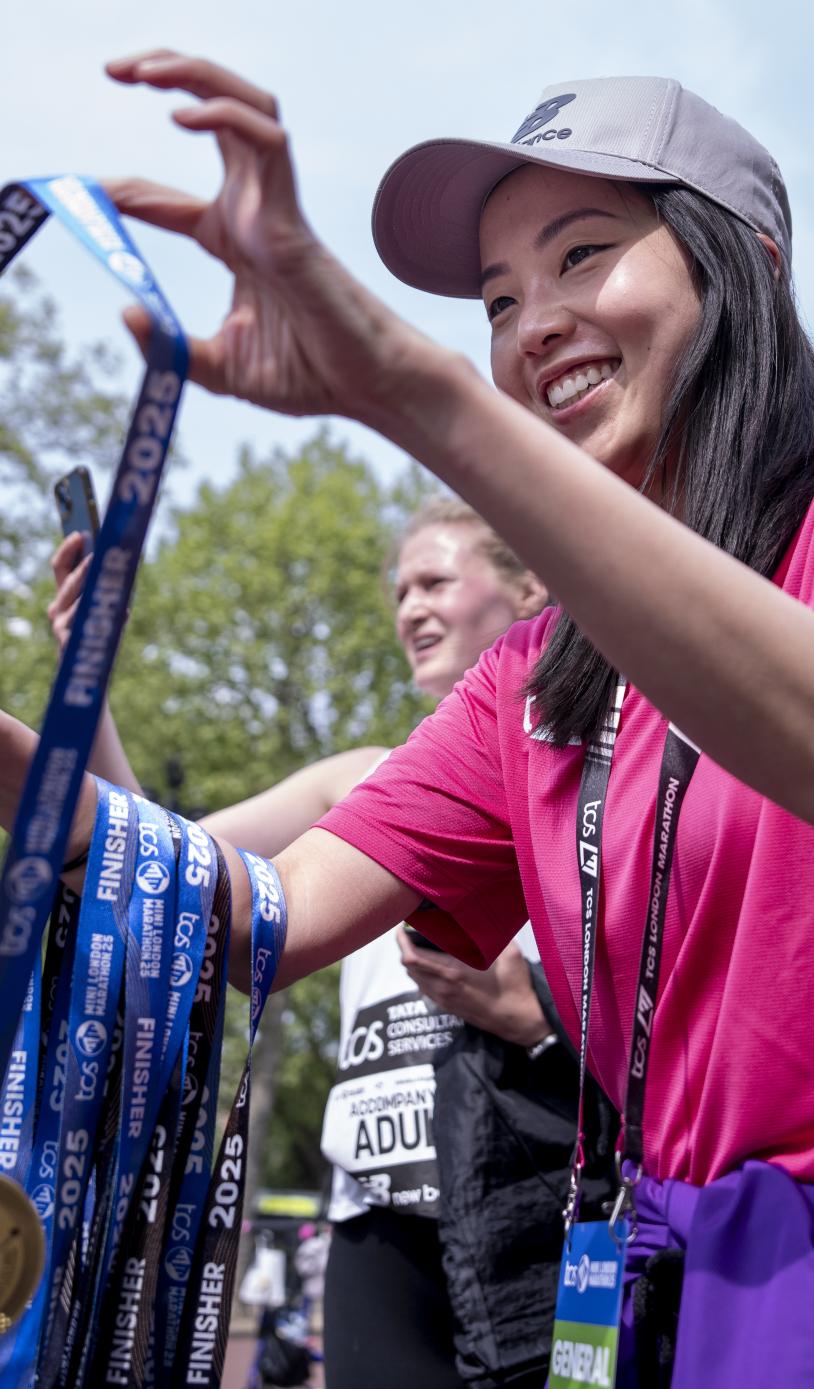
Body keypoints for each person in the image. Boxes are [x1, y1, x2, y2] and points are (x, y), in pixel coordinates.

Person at [4, 51, 814, 1386]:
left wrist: (410, 389)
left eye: (581, 254)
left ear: (749, 262)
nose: (532, 321)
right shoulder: (536, 680)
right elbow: (258, 910)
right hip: (646, 1281)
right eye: (497, 299)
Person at [49, 499, 609, 1387]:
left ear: (530, 585)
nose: (410, 608)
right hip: (377, 1217)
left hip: (530, 1203)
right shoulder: (363, 778)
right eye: (398, 592)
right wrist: (92, 679)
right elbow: (165, 861)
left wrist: (528, 1014)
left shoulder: (603, 776)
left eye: (436, 580)